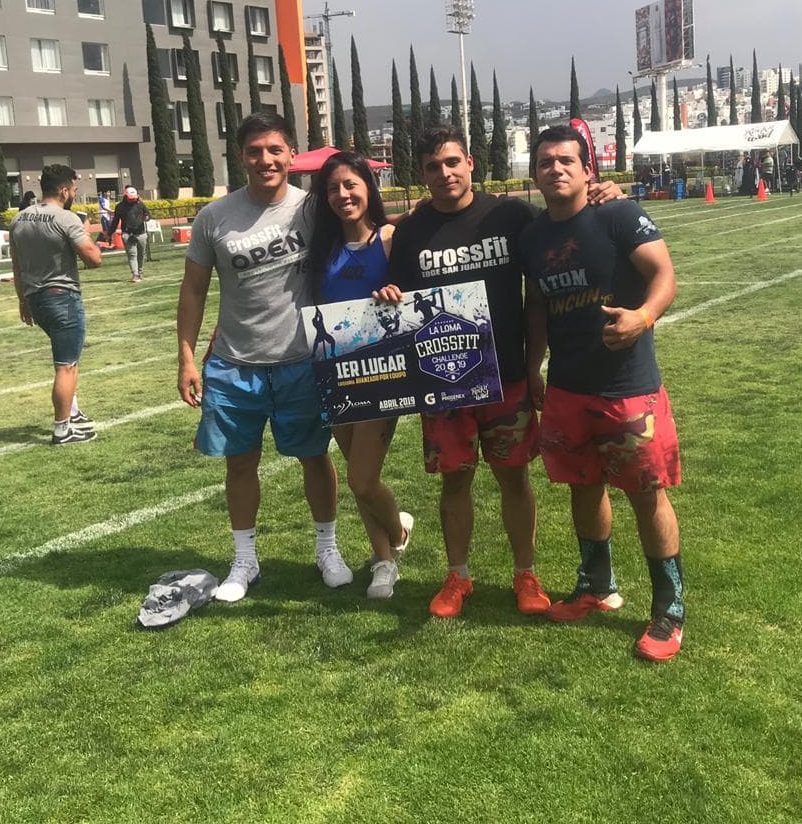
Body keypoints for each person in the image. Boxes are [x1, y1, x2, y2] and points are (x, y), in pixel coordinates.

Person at [373, 124, 621, 619]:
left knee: (514, 479)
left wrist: (604, 196)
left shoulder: (509, 215)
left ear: (470, 163)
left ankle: (525, 573)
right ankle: (458, 575)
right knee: (455, 482)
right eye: (433, 167)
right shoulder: (412, 232)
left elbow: (565, 224)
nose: (444, 173)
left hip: (505, 376)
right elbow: (395, 296)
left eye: (452, 162)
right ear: (420, 174)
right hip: (444, 382)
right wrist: (387, 295)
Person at [521, 125, 685, 663]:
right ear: (535, 174)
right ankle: (597, 585)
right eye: (545, 162)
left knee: (646, 493)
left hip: (627, 388)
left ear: (587, 169)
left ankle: (670, 607)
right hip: (568, 388)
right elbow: (537, 307)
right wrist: (533, 367)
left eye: (566, 160)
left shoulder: (618, 214)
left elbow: (664, 274)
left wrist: (643, 316)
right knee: (583, 486)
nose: (555, 168)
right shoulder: (533, 236)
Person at [177, 113, 351, 604]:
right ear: (241, 157)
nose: (265, 160)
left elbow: (368, 229)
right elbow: (193, 291)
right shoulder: (214, 217)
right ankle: (244, 560)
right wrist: (186, 357)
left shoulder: (315, 208)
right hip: (235, 363)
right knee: (239, 464)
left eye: (275, 150)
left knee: (315, 457)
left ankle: (327, 548)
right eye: (254, 151)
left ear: (292, 154)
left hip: (303, 359)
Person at [306, 151, 413, 600]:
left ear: (369, 186)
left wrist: (396, 293)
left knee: (362, 480)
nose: (343, 195)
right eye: (333, 188)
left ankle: (398, 534)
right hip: (334, 371)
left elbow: (415, 290)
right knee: (358, 474)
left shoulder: (392, 237)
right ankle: (383, 561)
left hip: (383, 370)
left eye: (350, 184)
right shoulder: (321, 247)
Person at [9, 165, 103, 445]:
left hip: (35, 298)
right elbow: (94, 259)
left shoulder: (19, 219)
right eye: (74, 189)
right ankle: (62, 428)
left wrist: (22, 299)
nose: (74, 193)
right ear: (64, 191)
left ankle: (72, 412)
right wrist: (86, 232)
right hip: (62, 297)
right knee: (66, 366)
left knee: (67, 358)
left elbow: (17, 267)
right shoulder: (66, 218)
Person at [109, 186, 151, 282]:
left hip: (141, 233)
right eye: (130, 199)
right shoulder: (119, 207)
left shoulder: (140, 204)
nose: (133, 200)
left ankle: (140, 271)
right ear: (125, 196)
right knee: (132, 255)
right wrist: (110, 232)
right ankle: (135, 274)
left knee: (141, 254)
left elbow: (148, 214)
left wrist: (147, 217)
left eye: (134, 198)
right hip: (128, 234)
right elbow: (115, 221)